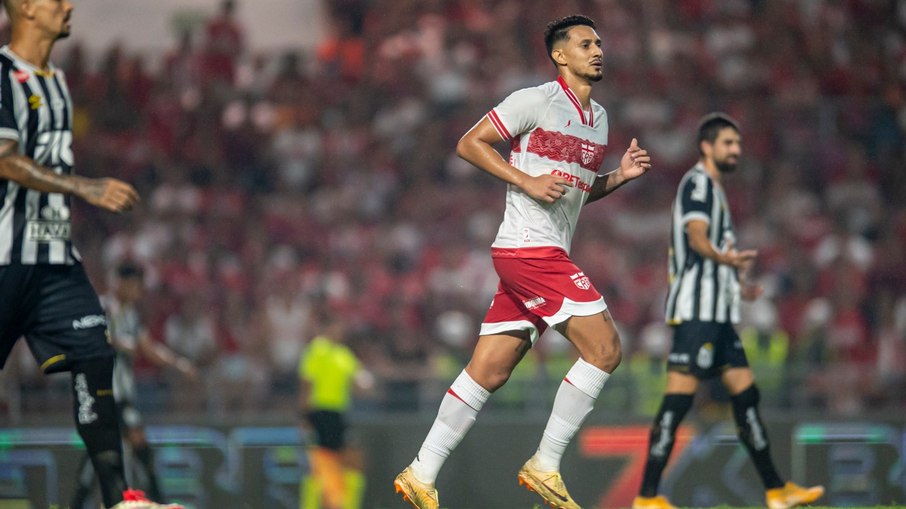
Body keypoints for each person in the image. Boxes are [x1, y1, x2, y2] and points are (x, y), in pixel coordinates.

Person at [394, 15, 652, 509]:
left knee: (488, 371)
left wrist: (617, 177)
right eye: (585, 43)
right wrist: (525, 180)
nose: (597, 50)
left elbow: (574, 192)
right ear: (560, 55)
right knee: (605, 350)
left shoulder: (599, 119)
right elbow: (469, 143)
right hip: (529, 249)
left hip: (540, 252)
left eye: (599, 42)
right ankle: (546, 464)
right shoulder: (534, 100)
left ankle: (420, 472)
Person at [0, 1, 180, 508]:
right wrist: (87, 187)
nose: (68, 5)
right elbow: (5, 161)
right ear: (28, 8)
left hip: (55, 259)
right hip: (5, 259)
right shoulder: (0, 74)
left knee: (96, 357)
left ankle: (120, 499)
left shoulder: (56, 79)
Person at [631, 113, 824, 509]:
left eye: (737, 143)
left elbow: (711, 253)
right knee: (679, 400)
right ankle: (647, 497)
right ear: (707, 146)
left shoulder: (715, 191)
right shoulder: (698, 184)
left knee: (746, 395)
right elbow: (696, 236)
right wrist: (725, 259)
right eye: (728, 143)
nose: (736, 150)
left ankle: (776, 490)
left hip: (718, 315)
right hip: (696, 314)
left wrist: (738, 284)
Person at [71, 263, 196, 508]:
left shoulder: (130, 314)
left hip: (121, 395)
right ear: (123, 283)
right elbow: (86, 335)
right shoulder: (102, 307)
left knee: (102, 455)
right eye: (136, 286)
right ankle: (158, 499)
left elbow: (147, 347)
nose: (138, 293)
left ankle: (77, 503)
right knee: (132, 441)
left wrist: (178, 364)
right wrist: (117, 342)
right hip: (103, 394)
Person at [298, 315, 371, 509]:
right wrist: (305, 418)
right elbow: (306, 384)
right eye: (336, 326)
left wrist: (365, 382)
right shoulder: (317, 349)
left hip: (338, 415)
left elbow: (358, 381)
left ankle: (343, 504)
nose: (339, 331)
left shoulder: (343, 353)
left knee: (350, 462)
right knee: (320, 465)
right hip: (320, 413)